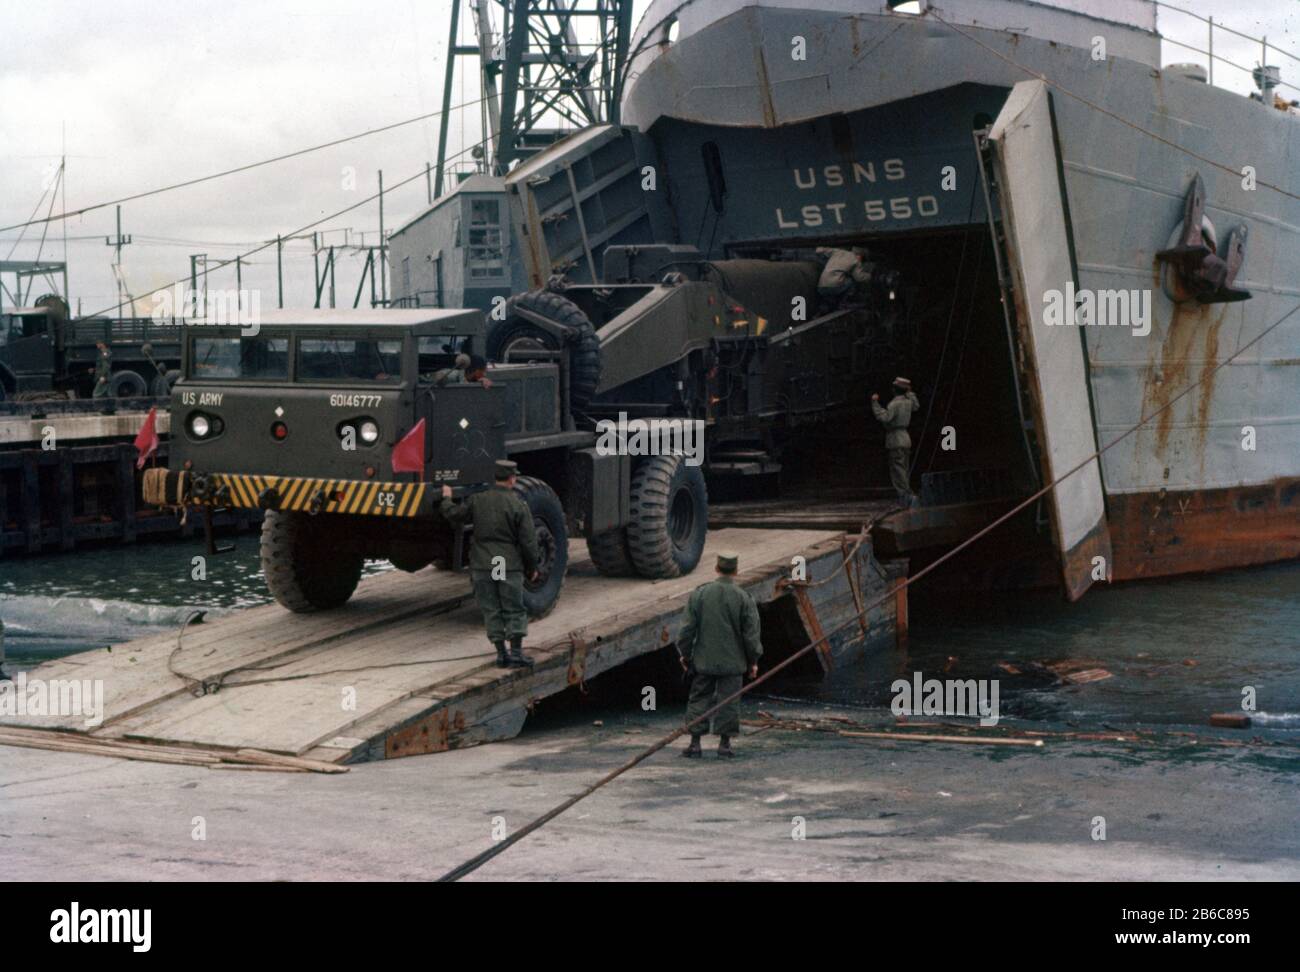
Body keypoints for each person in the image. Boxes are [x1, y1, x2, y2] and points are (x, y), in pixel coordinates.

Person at [440, 459, 540, 668]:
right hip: (505, 563)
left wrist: (446, 499)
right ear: (512, 479)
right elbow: (529, 542)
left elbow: (454, 515)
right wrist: (532, 567)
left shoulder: (478, 500)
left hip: (483, 563)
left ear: (494, 478)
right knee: (512, 607)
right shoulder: (517, 504)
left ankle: (501, 654)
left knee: (491, 608)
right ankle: (516, 653)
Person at [677, 550, 762, 759]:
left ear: (716, 568)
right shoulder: (744, 598)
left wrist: (685, 656)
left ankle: (695, 743)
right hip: (733, 663)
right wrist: (754, 661)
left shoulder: (700, 594)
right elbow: (751, 635)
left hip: (704, 661)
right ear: (736, 570)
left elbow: (686, 631)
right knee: (729, 701)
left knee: (698, 698)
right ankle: (724, 744)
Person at [871, 377, 921, 507]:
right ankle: (908, 495)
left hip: (895, 438)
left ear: (894, 390)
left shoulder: (894, 404)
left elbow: (885, 417)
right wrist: (909, 392)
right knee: (904, 468)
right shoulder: (908, 401)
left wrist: (875, 403)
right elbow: (916, 405)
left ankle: (906, 497)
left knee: (897, 471)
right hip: (905, 437)